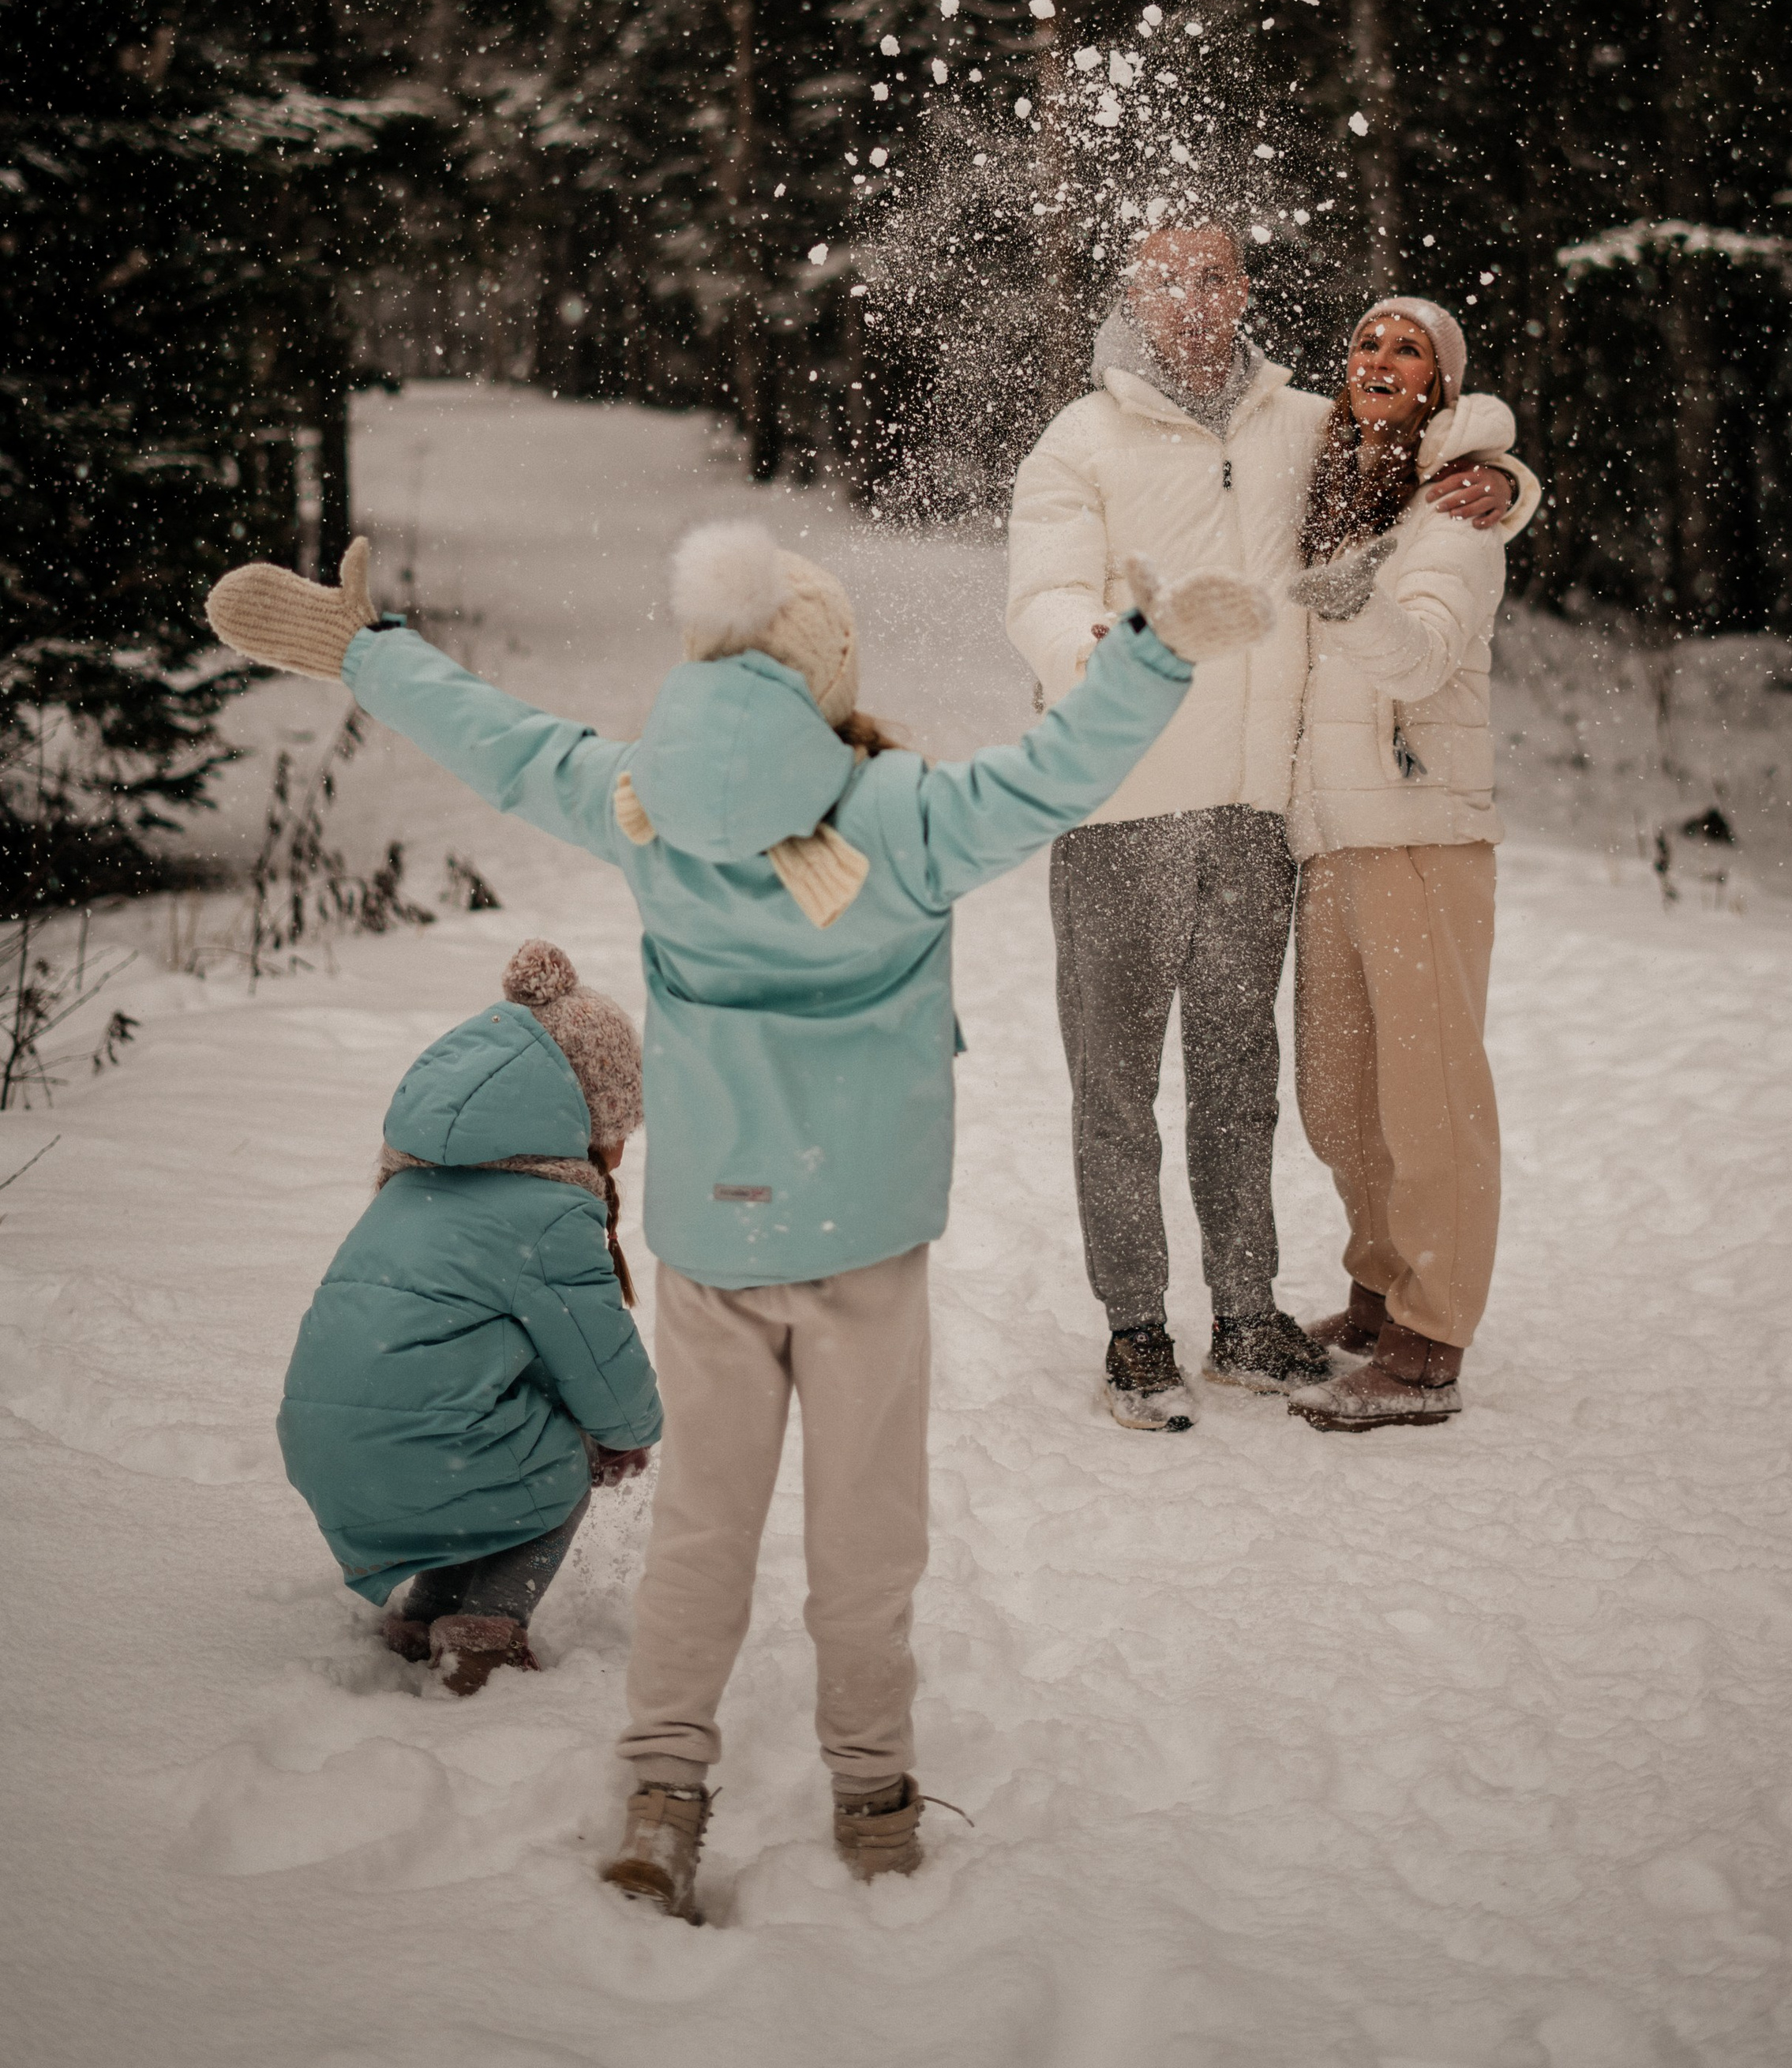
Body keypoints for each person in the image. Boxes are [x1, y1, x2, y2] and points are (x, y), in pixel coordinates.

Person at [207, 516, 1273, 1917]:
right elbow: (1059, 769)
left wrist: (370, 650)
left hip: (715, 1243)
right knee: (865, 1538)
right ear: (824, 681)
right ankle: (874, 1795)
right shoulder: (903, 819)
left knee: (705, 1535)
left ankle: (662, 1789)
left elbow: (506, 742)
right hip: (862, 1247)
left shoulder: (642, 801)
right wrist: (1151, 656)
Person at [1006, 222, 1531, 1432]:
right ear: (1132, 293)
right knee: (1115, 1087)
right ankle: (1137, 1328)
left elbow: (1431, 452)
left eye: (1214, 277)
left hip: (1257, 817)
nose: (1191, 299)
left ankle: (1246, 1312)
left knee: (1244, 1084)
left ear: (1243, 292)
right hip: (1121, 806)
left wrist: (1506, 479)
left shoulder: (1301, 427)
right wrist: (1091, 655)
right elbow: (1042, 589)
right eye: (1166, 279)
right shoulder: (1080, 437)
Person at [277, 937, 661, 1695]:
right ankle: (487, 1630)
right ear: (582, 1111)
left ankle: (427, 1613)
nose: (622, 1142)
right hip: (416, 1452)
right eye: (618, 1119)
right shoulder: (549, 1211)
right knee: (562, 1456)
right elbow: (595, 1351)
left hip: (329, 1454)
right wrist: (627, 1433)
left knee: (474, 1430)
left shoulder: (410, 1187)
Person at [1280, 295, 1535, 1433]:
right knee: (1341, 1099)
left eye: (1409, 348)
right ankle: (1379, 1291)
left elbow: (1423, 660)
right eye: (1369, 342)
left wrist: (1356, 606)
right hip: (1335, 834)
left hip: (1422, 832)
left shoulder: (1455, 512)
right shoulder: (1338, 480)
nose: (1381, 359)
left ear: (1441, 382)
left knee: (1429, 1099)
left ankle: (1432, 1341)